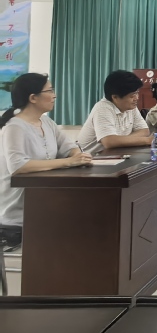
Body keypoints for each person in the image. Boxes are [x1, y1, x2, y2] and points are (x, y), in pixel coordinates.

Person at [0, 73, 93, 230]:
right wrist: (68, 162)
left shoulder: (46, 121)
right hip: (20, 212)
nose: (54, 95)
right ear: (33, 98)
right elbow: (18, 166)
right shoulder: (14, 127)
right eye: (49, 91)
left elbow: (69, 147)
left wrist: (78, 156)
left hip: (45, 200)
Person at [78, 70, 152, 149]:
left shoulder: (130, 107)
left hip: (114, 153)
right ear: (115, 97)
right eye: (132, 96)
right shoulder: (103, 108)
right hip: (90, 155)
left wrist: (120, 141)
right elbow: (109, 141)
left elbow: (144, 131)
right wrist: (148, 140)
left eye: (137, 93)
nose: (136, 98)